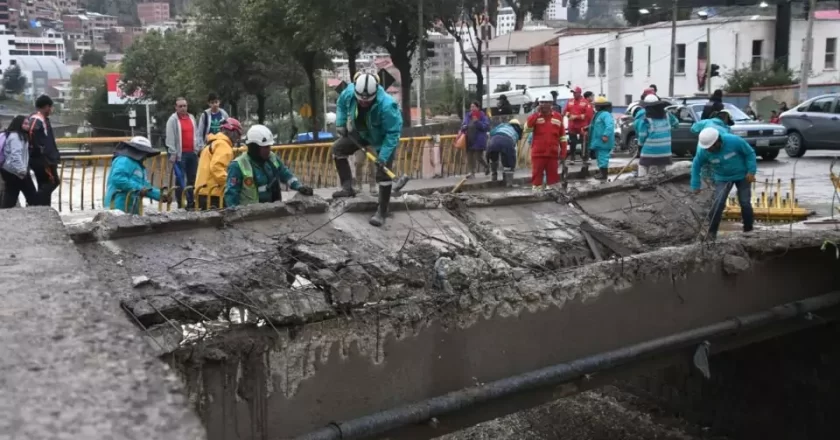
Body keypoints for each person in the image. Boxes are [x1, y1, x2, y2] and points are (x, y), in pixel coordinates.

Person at [331, 73, 403, 226]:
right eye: (360, 100)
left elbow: (393, 134)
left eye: (367, 101)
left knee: (383, 173)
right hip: (361, 131)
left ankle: (382, 212)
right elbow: (341, 105)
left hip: (382, 138)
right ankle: (347, 187)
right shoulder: (350, 92)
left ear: (375, 93)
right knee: (338, 149)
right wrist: (341, 123)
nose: (363, 103)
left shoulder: (387, 105)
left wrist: (382, 157)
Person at [224, 124, 313, 208]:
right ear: (254, 147)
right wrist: (235, 216)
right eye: (265, 147)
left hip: (273, 212)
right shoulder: (237, 165)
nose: (269, 150)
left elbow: (285, 174)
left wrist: (299, 186)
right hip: (251, 217)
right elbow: (231, 194)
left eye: (269, 146)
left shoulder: (272, 158)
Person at [691, 127, 756, 239]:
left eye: (710, 147)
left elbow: (750, 153)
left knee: (745, 202)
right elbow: (696, 166)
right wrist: (695, 184)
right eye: (707, 148)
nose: (709, 150)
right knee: (718, 202)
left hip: (743, 176)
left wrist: (751, 171)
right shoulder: (704, 151)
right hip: (722, 178)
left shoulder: (734, 141)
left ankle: (748, 228)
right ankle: (712, 232)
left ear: (718, 141)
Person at [105, 136, 170, 215]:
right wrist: (139, 189)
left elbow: (145, 187)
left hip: (131, 206)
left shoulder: (140, 167)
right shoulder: (124, 160)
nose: (145, 156)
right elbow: (118, 179)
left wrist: (160, 195)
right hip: (118, 205)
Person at [194, 118, 242, 210]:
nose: (238, 138)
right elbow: (217, 167)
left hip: (203, 190)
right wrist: (230, 182)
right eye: (238, 133)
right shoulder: (223, 145)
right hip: (213, 193)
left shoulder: (213, 142)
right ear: (230, 131)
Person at [524, 94, 567, 190]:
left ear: (551, 104)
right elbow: (527, 129)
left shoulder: (558, 117)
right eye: (541, 102)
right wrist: (535, 114)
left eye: (546, 102)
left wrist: (563, 152)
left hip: (552, 153)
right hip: (538, 153)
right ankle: (537, 196)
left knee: (553, 179)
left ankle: (552, 196)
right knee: (536, 177)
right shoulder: (534, 117)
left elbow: (562, 137)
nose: (543, 105)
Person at [24, 95, 59, 206]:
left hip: (46, 158)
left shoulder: (43, 119)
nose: (51, 110)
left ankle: (43, 208)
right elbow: (31, 133)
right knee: (52, 182)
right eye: (50, 107)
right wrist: (39, 150)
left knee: (43, 184)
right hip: (43, 159)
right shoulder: (36, 119)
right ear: (46, 106)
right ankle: (34, 202)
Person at [165, 97, 198, 209]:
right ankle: (181, 202)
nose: (183, 108)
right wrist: (173, 153)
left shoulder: (192, 117)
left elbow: (196, 134)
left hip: (192, 153)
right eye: (180, 106)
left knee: (192, 178)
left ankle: (191, 201)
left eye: (185, 106)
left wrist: (198, 149)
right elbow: (170, 138)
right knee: (180, 179)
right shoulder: (172, 120)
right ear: (176, 107)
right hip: (180, 155)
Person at [635, 94, 679, 177]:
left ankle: (641, 180)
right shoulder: (667, 115)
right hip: (666, 152)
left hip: (650, 151)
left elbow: (642, 136)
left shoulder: (646, 119)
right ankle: (660, 183)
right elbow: (676, 124)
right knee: (661, 169)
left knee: (642, 165)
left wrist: (640, 147)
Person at [1, 115, 38, 208]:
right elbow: (15, 155)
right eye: (25, 124)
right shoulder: (16, 137)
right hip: (16, 171)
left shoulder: (17, 135)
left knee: (11, 193)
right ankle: (36, 211)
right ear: (19, 124)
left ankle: (5, 213)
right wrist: (22, 170)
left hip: (9, 170)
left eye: (28, 124)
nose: (28, 126)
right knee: (32, 194)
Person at [487, 118, 522, 185]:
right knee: (508, 161)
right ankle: (508, 182)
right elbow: (513, 147)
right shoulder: (516, 132)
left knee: (493, 158)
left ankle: (494, 176)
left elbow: (491, 132)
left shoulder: (501, 125)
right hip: (507, 142)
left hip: (494, 140)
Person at [563, 86, 594, 164]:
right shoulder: (570, 101)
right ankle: (572, 158)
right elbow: (565, 111)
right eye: (573, 92)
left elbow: (588, 115)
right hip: (572, 126)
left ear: (579, 93)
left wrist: (577, 117)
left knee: (584, 142)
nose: (573, 94)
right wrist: (569, 115)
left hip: (583, 126)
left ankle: (585, 158)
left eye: (575, 92)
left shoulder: (585, 102)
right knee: (572, 142)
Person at [587, 96, 615, 180]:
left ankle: (603, 175)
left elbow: (609, 125)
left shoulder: (605, 115)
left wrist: (605, 135)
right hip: (599, 141)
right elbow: (596, 126)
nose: (595, 106)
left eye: (596, 105)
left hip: (603, 141)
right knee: (600, 158)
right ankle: (601, 173)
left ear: (600, 106)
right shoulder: (599, 114)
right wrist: (587, 128)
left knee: (603, 158)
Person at [460, 101, 490, 178]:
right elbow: (463, 125)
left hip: (478, 139)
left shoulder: (482, 116)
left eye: (473, 106)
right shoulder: (468, 116)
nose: (472, 108)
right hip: (469, 138)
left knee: (478, 156)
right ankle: (471, 172)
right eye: (471, 107)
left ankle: (486, 166)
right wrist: (464, 127)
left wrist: (477, 122)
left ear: (478, 108)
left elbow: (485, 127)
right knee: (469, 156)